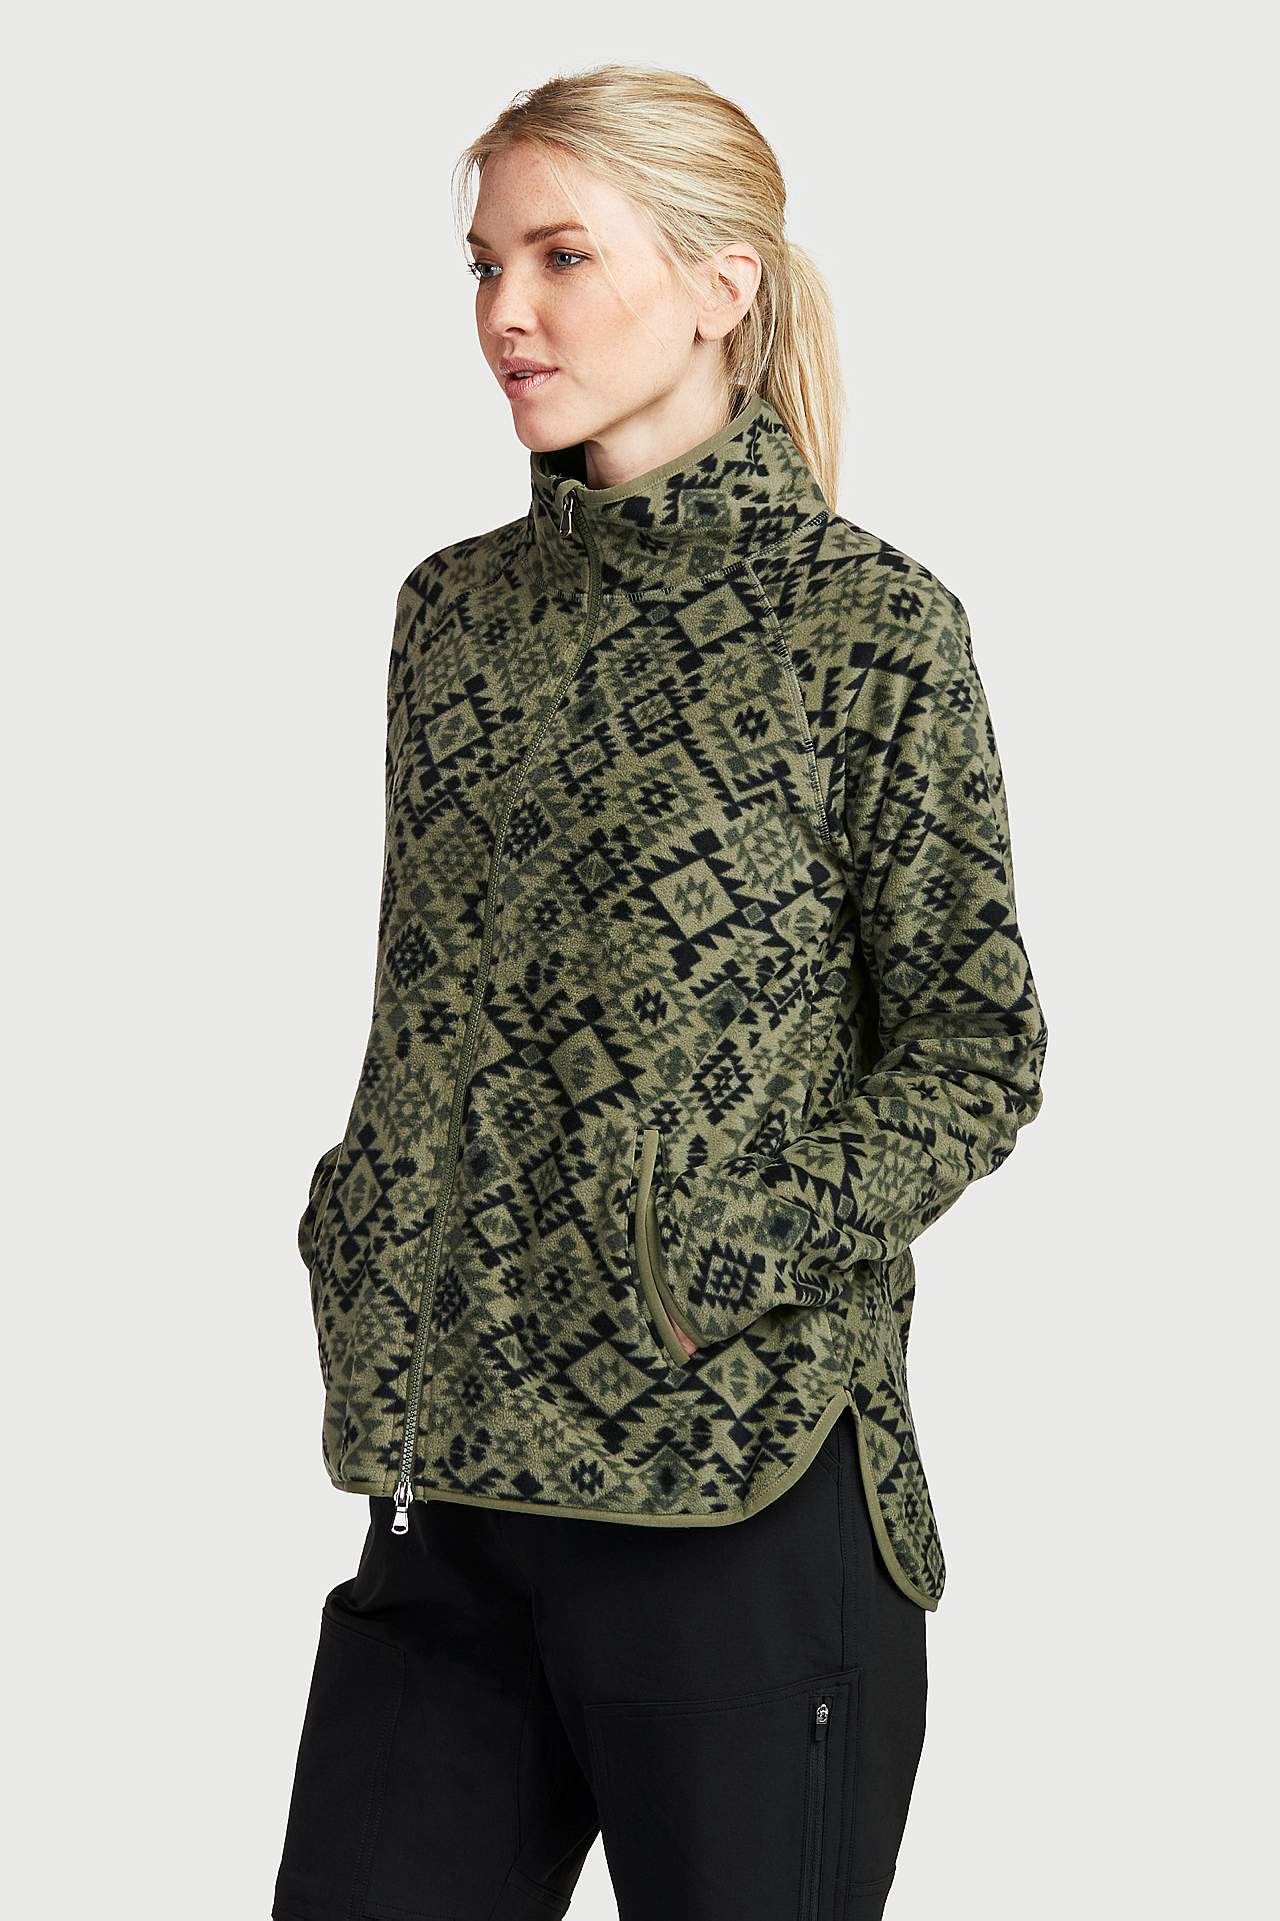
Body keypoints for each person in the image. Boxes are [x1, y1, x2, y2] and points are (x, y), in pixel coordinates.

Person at [272, 63, 1048, 1921]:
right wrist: (363, 1217)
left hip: (742, 1497)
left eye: (561, 255)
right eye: (484, 264)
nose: (505, 311)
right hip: (450, 1492)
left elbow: (978, 1042)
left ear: (720, 283)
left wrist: (717, 1248)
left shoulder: (868, 627)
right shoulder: (451, 617)